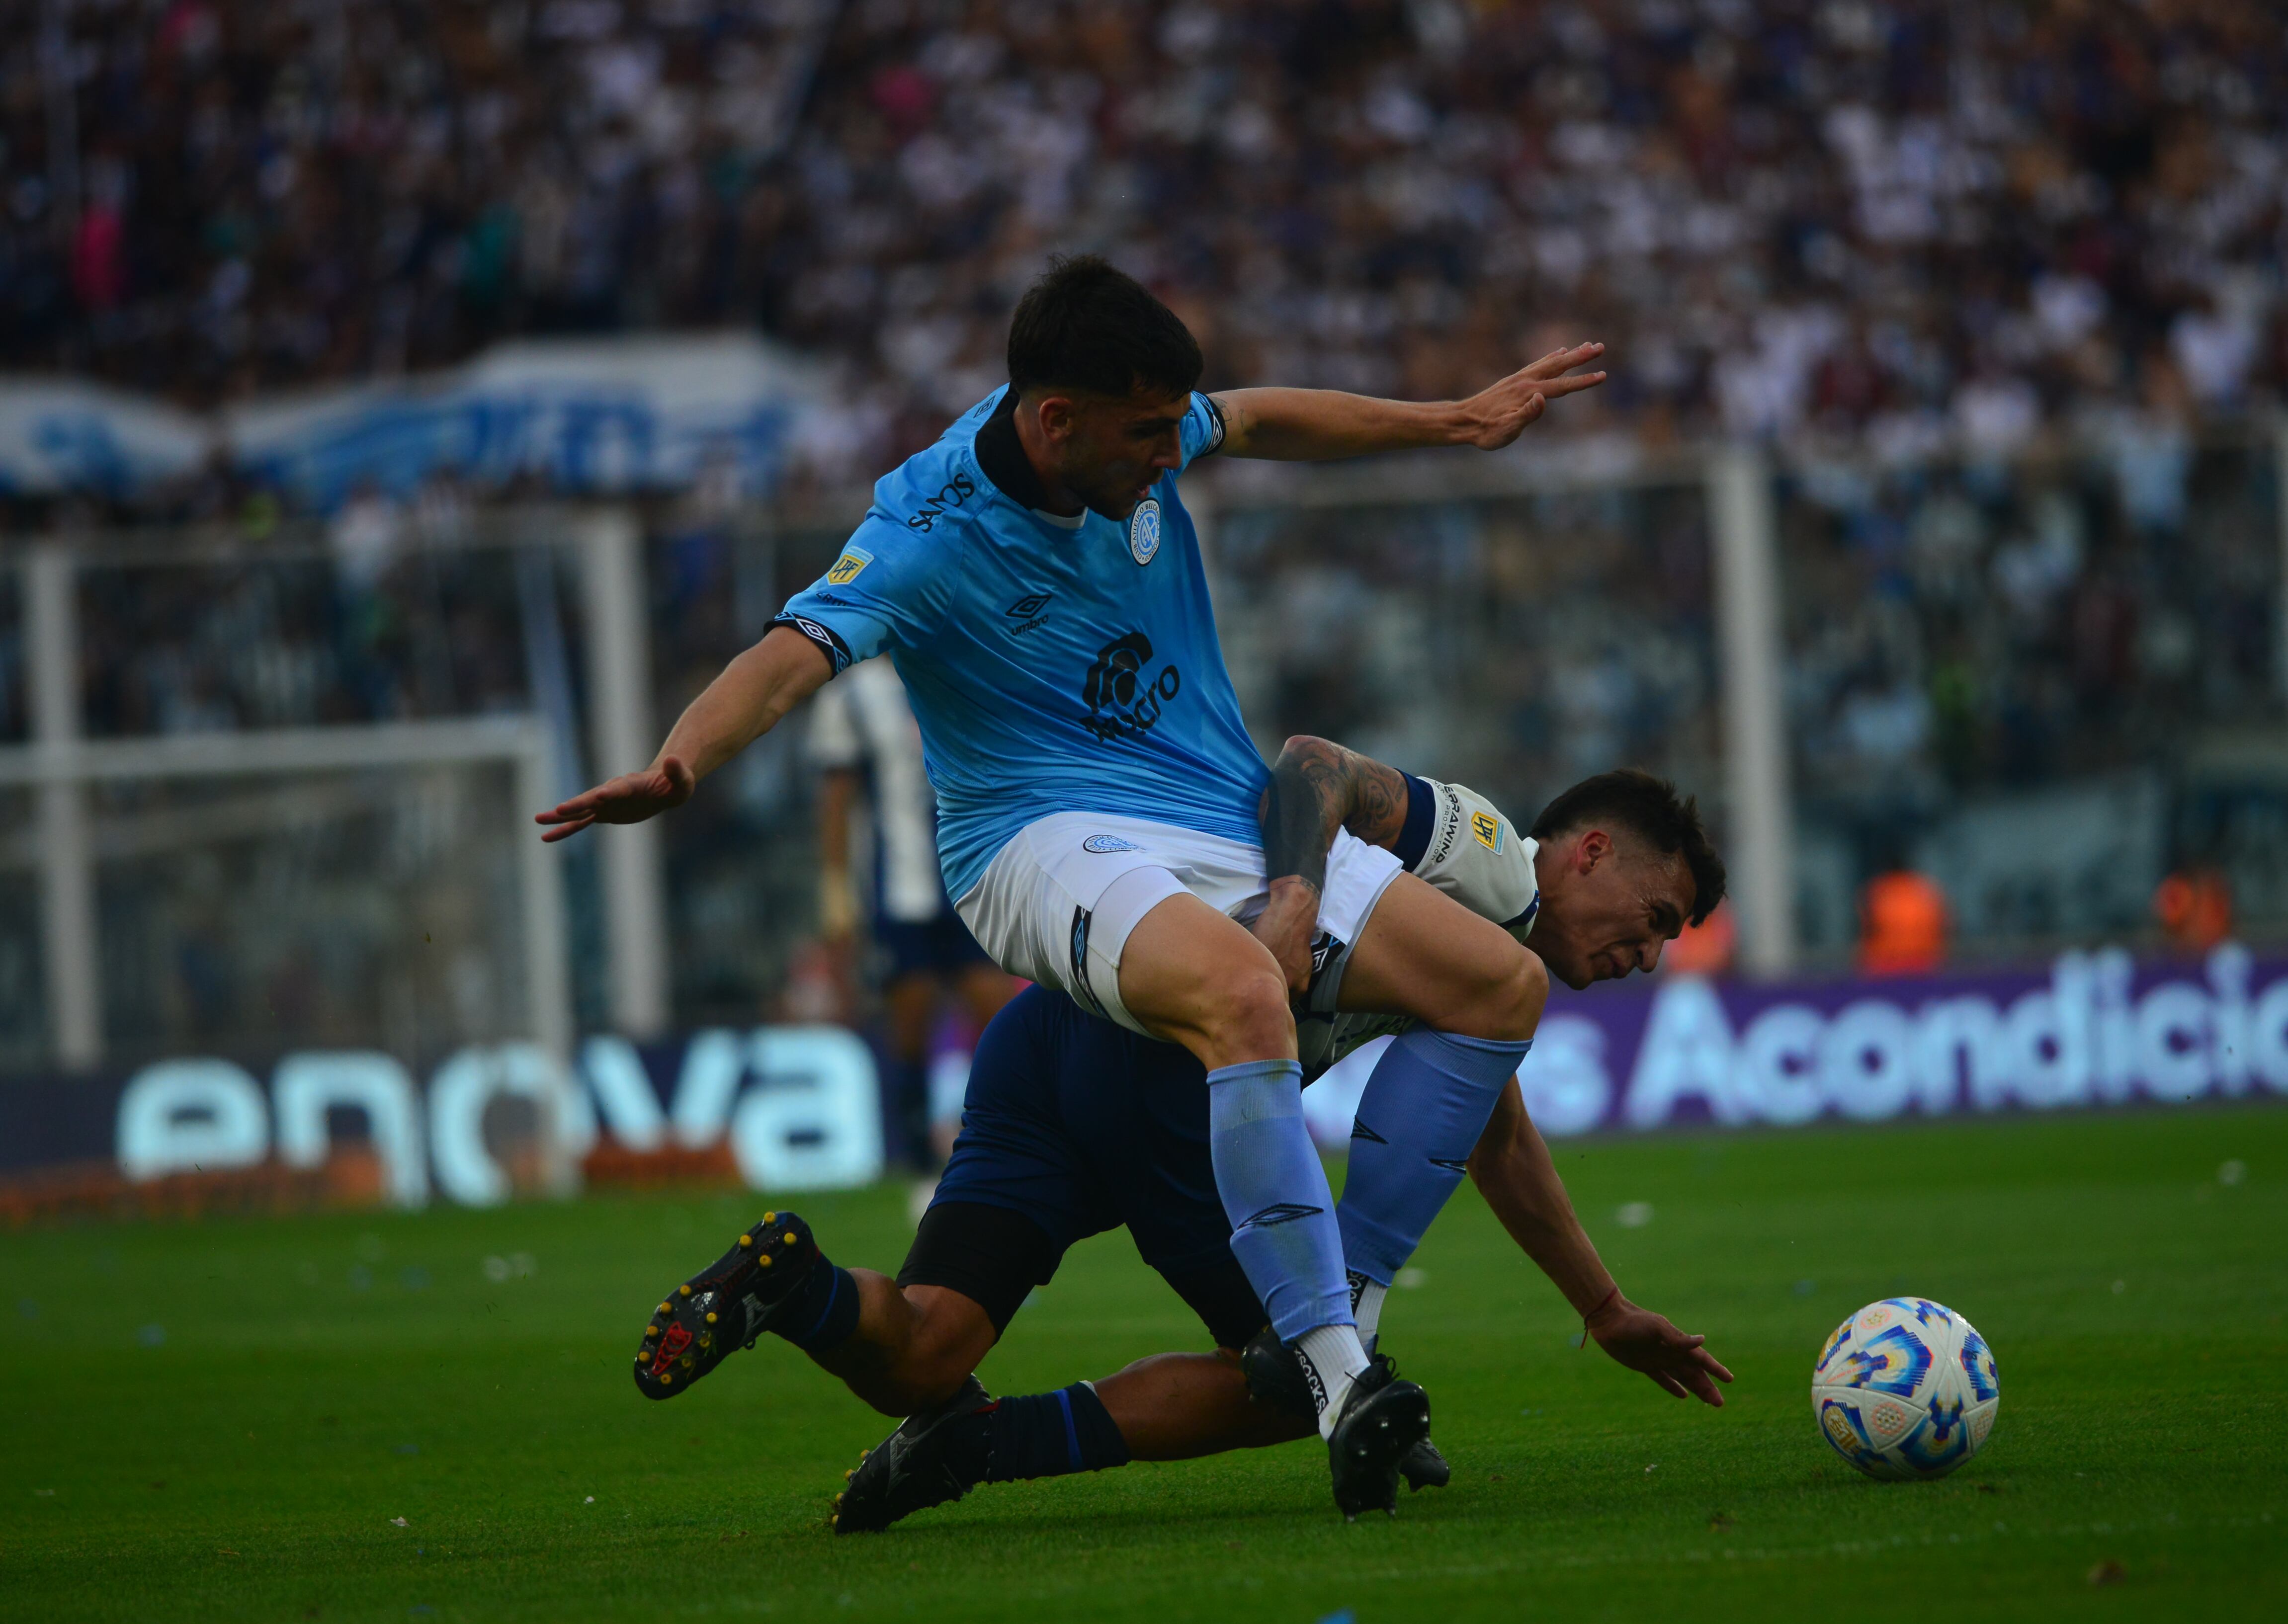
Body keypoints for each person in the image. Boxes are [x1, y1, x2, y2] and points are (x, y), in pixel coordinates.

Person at [542, 256, 1610, 1514]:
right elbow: (789, 656)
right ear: (1054, 421)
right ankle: (1337, 1366)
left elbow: (1259, 415)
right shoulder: (924, 536)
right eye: (1149, 435)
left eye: (1175, 429)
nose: (1174, 457)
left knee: (1497, 983)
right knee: (1240, 991)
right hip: (1034, 836)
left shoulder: (1139, 431)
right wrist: (680, 763)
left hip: (1202, 818)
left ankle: (830, 1297)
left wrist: (1456, 420)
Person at [629, 755, 1732, 1531]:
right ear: (1589, 851)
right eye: (1661, 914)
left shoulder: (1477, 986)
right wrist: (1294, 898)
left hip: (1048, 1039)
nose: (1654, 952)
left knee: (921, 1348)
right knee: (1299, 1374)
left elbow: (1494, 1135)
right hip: (1162, 1062)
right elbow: (1315, 763)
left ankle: (796, 1286)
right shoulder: (1490, 862)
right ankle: (979, 1444)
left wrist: (1599, 1305)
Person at [808, 655, 1019, 1170]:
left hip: (972, 877)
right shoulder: (851, 695)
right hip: (899, 887)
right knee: (910, 1017)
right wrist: (835, 889)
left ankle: (1004, 1136)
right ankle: (916, 1151)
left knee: (996, 1012)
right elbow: (837, 797)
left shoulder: (964, 663)